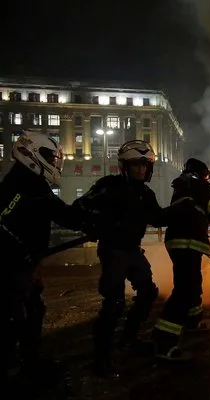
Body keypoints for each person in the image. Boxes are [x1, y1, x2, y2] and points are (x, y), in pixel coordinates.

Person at [74, 140, 185, 376]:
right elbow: (80, 207)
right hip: (113, 250)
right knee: (113, 304)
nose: (142, 170)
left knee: (148, 293)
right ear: (125, 166)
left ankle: (129, 338)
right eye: (136, 165)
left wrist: (179, 209)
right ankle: (101, 358)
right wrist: (94, 223)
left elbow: (157, 218)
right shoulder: (108, 186)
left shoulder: (145, 193)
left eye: (145, 166)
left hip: (132, 250)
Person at [0, 132, 85, 385]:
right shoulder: (18, 185)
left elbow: (63, 214)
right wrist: (21, 253)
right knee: (12, 317)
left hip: (24, 264)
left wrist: (90, 218)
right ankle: (13, 370)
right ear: (31, 153)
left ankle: (29, 362)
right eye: (49, 156)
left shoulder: (35, 185)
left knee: (32, 311)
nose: (54, 162)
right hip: (10, 267)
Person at [153, 158, 210, 360]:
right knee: (184, 290)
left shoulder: (184, 186)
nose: (208, 180)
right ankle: (164, 344)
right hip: (187, 242)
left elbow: (197, 211)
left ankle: (193, 322)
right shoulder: (199, 184)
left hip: (181, 241)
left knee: (193, 283)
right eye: (207, 176)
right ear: (202, 173)